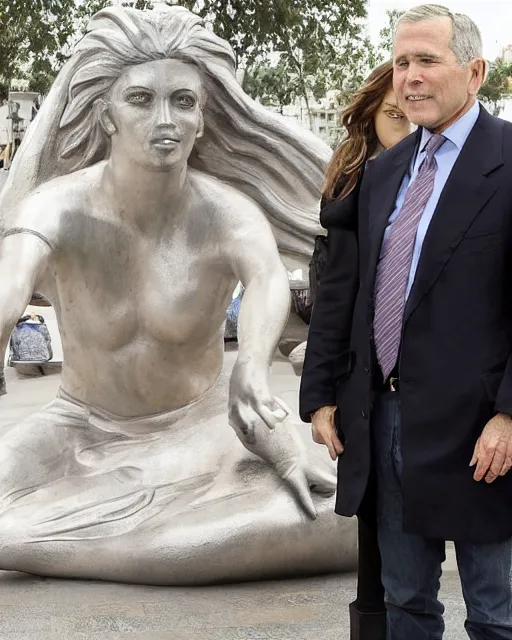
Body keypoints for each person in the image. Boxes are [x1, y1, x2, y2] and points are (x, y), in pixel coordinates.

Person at [0, 5, 357, 585]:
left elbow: (267, 280)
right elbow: (10, 287)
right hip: (75, 428)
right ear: (105, 113)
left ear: (202, 116)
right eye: (140, 99)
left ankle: (23, 542)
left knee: (338, 513)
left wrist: (252, 371)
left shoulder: (228, 214)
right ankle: (79, 540)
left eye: (183, 102)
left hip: (203, 427)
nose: (164, 120)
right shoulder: (57, 208)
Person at [301, 3, 512, 639]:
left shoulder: (508, 161)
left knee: (495, 616)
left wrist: (509, 415)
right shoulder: (384, 172)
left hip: (482, 434)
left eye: (427, 61)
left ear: (474, 73)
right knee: (406, 607)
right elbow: (347, 293)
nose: (410, 77)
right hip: (385, 420)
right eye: (401, 63)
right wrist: (322, 395)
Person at [300, 61, 410, 639]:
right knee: (377, 556)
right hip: (366, 384)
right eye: (394, 115)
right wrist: (320, 398)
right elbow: (333, 300)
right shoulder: (354, 186)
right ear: (369, 116)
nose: (407, 127)